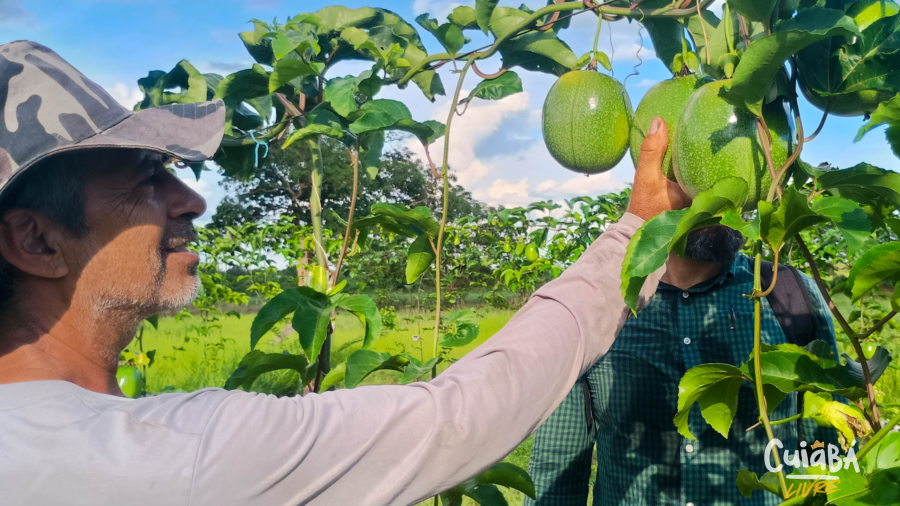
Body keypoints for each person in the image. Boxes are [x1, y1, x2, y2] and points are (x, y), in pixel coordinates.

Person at [0, 41, 690, 505]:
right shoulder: (171, 460)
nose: (191, 200)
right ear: (35, 240)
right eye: (146, 179)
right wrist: (638, 234)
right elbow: (462, 414)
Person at [524, 225, 840, 504]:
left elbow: (826, 451)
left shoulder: (789, 295)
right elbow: (558, 466)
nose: (710, 197)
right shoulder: (596, 304)